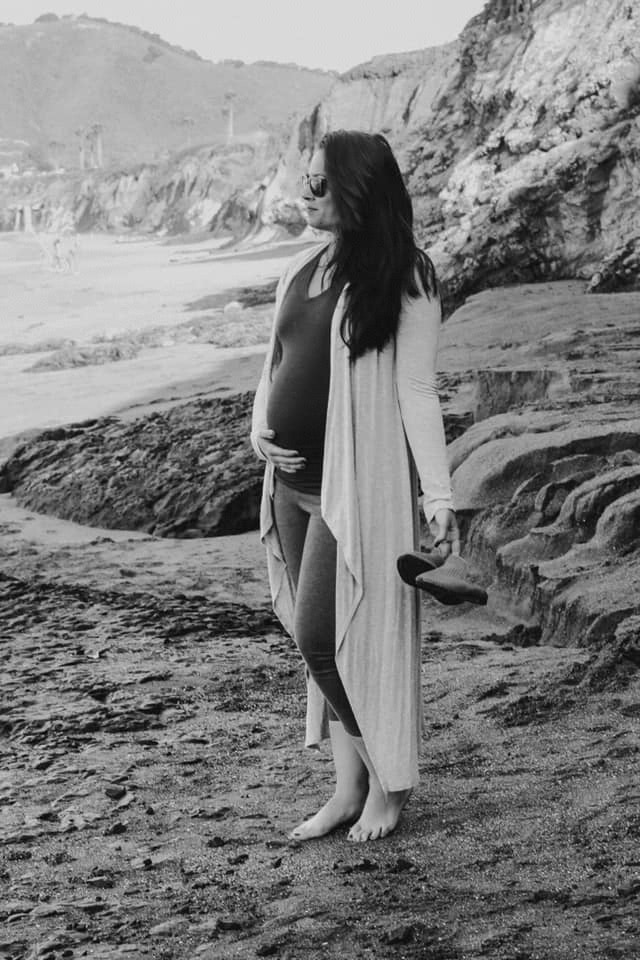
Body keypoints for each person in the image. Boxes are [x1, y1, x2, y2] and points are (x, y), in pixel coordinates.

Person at [251, 130, 459, 843]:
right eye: (304, 179)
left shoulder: (407, 277)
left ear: (357, 191)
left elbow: (417, 390)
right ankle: (346, 788)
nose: (305, 193)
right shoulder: (299, 267)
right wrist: (259, 426)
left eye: (319, 182)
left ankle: (388, 783)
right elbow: (275, 362)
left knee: (322, 640)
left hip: (351, 487)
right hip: (289, 482)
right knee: (318, 640)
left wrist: (438, 496)